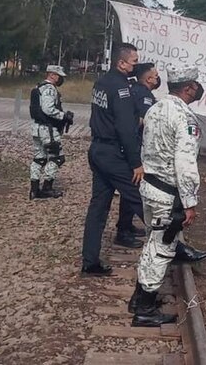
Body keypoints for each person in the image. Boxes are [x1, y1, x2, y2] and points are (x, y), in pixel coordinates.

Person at [129, 66, 206, 327]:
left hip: (149, 188)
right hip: (167, 194)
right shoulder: (185, 119)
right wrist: (190, 202)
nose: (198, 88)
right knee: (162, 249)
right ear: (188, 88)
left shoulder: (156, 109)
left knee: (153, 241)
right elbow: (185, 165)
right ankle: (145, 311)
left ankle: (138, 299)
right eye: (196, 84)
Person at [81, 43, 145, 276]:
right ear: (121, 63)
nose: (136, 65)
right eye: (134, 61)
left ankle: (90, 262)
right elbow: (126, 129)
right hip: (112, 153)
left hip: (97, 149)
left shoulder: (102, 82)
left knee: (98, 208)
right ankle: (172, 246)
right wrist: (136, 162)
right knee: (140, 198)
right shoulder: (121, 88)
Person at [29, 65, 72, 200]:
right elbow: (48, 109)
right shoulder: (49, 89)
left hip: (37, 128)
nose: (60, 79)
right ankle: (47, 187)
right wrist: (63, 116)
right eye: (59, 76)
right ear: (52, 75)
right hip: (48, 130)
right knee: (57, 157)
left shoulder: (39, 87)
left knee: (39, 158)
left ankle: (34, 189)